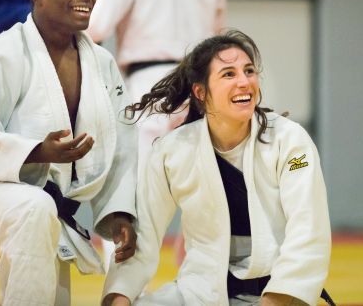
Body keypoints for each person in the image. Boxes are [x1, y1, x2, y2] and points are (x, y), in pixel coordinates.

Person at [101, 30, 332, 306]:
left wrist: (276, 300)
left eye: (249, 71)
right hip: (199, 293)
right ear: (201, 92)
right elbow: (143, 239)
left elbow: (308, 233)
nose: (244, 82)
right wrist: (119, 296)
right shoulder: (173, 151)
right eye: (229, 74)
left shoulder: (289, 140)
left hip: (276, 294)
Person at [0, 0, 138, 305]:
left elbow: (123, 145)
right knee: (33, 207)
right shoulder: (0, 55)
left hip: (46, 211)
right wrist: (37, 151)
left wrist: (119, 211)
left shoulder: (101, 62)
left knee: (51, 294)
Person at [86, 0, 227, 268]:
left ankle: (122, 293)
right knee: (205, 199)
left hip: (148, 86)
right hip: (201, 88)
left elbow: (92, 25)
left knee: (130, 197)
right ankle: (201, 289)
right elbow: (220, 39)